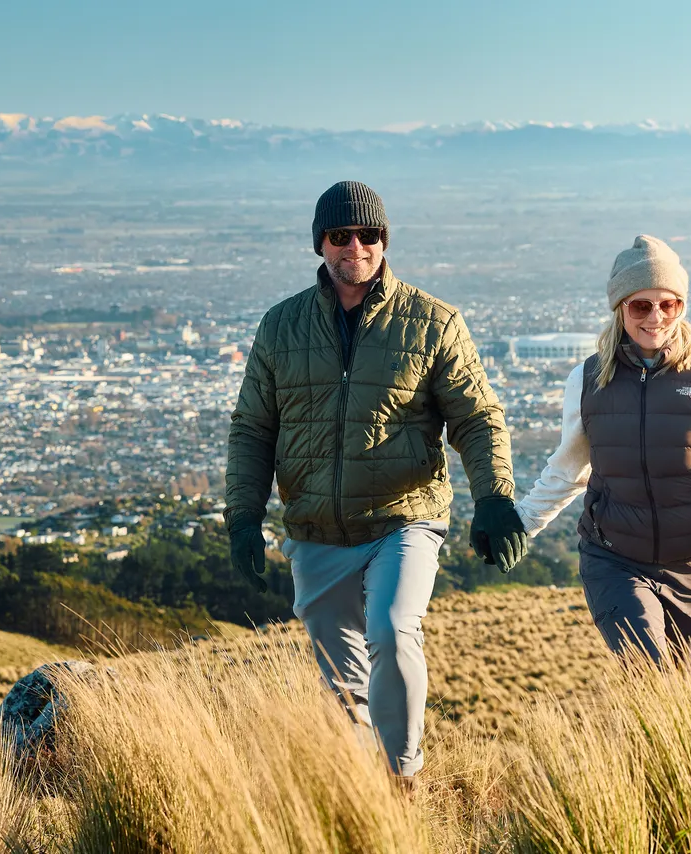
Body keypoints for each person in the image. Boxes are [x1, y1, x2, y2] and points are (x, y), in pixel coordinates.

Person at [224, 181, 527, 781]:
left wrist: (494, 495)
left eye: (367, 235)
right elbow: (252, 430)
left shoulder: (432, 322)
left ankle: (404, 777)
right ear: (321, 244)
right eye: (341, 236)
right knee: (340, 682)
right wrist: (241, 516)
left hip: (404, 515)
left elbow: (477, 417)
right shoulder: (281, 327)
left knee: (391, 629)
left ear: (384, 240)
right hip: (316, 526)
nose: (355, 246)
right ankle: (366, 795)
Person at [515, 235, 691, 665]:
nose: (655, 317)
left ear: (681, 307)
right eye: (641, 305)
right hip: (614, 559)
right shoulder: (588, 379)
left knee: (667, 690)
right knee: (649, 668)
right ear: (620, 308)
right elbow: (569, 468)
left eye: (668, 304)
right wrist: (518, 526)